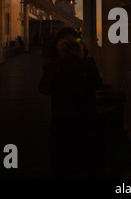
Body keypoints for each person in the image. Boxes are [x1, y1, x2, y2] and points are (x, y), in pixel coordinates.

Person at [38, 27, 103, 177]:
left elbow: (96, 84)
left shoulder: (88, 64)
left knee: (88, 166)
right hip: (62, 125)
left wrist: (81, 57)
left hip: (87, 123)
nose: (70, 47)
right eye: (65, 44)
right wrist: (60, 60)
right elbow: (44, 88)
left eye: (73, 43)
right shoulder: (53, 67)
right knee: (62, 166)